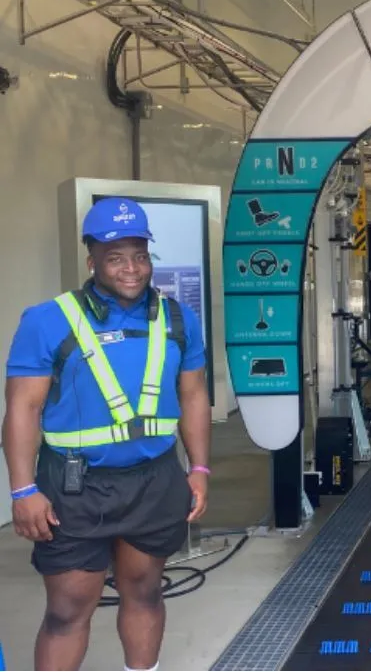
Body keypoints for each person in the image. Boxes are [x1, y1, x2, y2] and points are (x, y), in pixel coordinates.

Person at [2, 197, 211, 672]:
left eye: (140, 255)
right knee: (67, 610)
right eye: (116, 257)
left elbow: (195, 395)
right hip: (75, 486)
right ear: (91, 257)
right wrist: (22, 489)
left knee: (145, 591)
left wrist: (198, 468)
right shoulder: (47, 320)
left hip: (154, 478)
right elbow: (23, 406)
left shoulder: (177, 319)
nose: (131, 269)